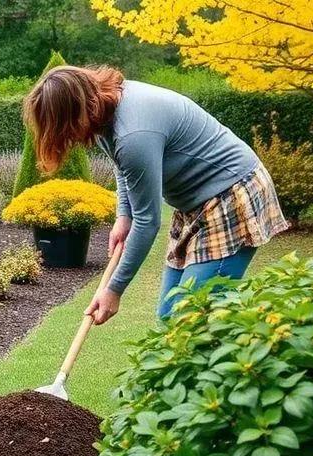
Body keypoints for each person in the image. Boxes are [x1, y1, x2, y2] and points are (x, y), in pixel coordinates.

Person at [22, 65, 289, 324]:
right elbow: (122, 165)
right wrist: (123, 215)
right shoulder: (105, 110)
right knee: (169, 316)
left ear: (75, 113)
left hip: (231, 196)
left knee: (190, 320)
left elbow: (148, 221)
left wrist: (113, 290)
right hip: (195, 204)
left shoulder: (134, 132)